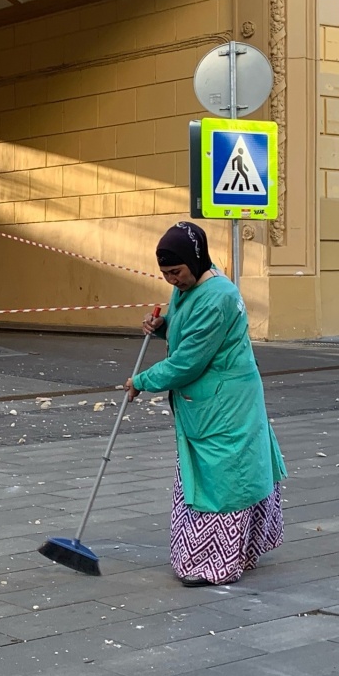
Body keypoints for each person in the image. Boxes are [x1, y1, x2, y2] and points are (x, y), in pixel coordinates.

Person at [125, 221, 286, 587]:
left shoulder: (219, 297)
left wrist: (142, 381)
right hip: (208, 401)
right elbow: (187, 329)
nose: (172, 280)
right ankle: (228, 553)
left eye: (176, 272)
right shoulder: (189, 289)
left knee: (223, 479)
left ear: (196, 261)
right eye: (165, 274)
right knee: (211, 475)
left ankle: (217, 562)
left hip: (227, 403)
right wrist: (164, 325)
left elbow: (188, 361)